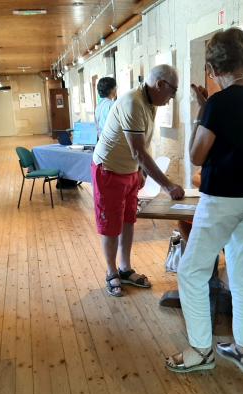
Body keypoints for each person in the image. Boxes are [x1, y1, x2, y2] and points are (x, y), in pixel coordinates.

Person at [165, 28, 243, 374]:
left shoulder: (218, 103)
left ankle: (201, 351)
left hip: (222, 200)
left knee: (191, 271)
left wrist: (202, 113)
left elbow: (196, 155)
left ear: (214, 68)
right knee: (242, 271)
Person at [92, 64, 185, 297]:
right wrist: (168, 185)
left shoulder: (150, 102)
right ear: (160, 84)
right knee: (111, 226)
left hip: (129, 170)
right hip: (109, 169)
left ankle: (125, 268)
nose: (172, 98)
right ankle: (111, 272)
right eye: (173, 91)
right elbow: (139, 152)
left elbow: (142, 145)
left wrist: (139, 172)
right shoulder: (133, 102)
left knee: (128, 220)